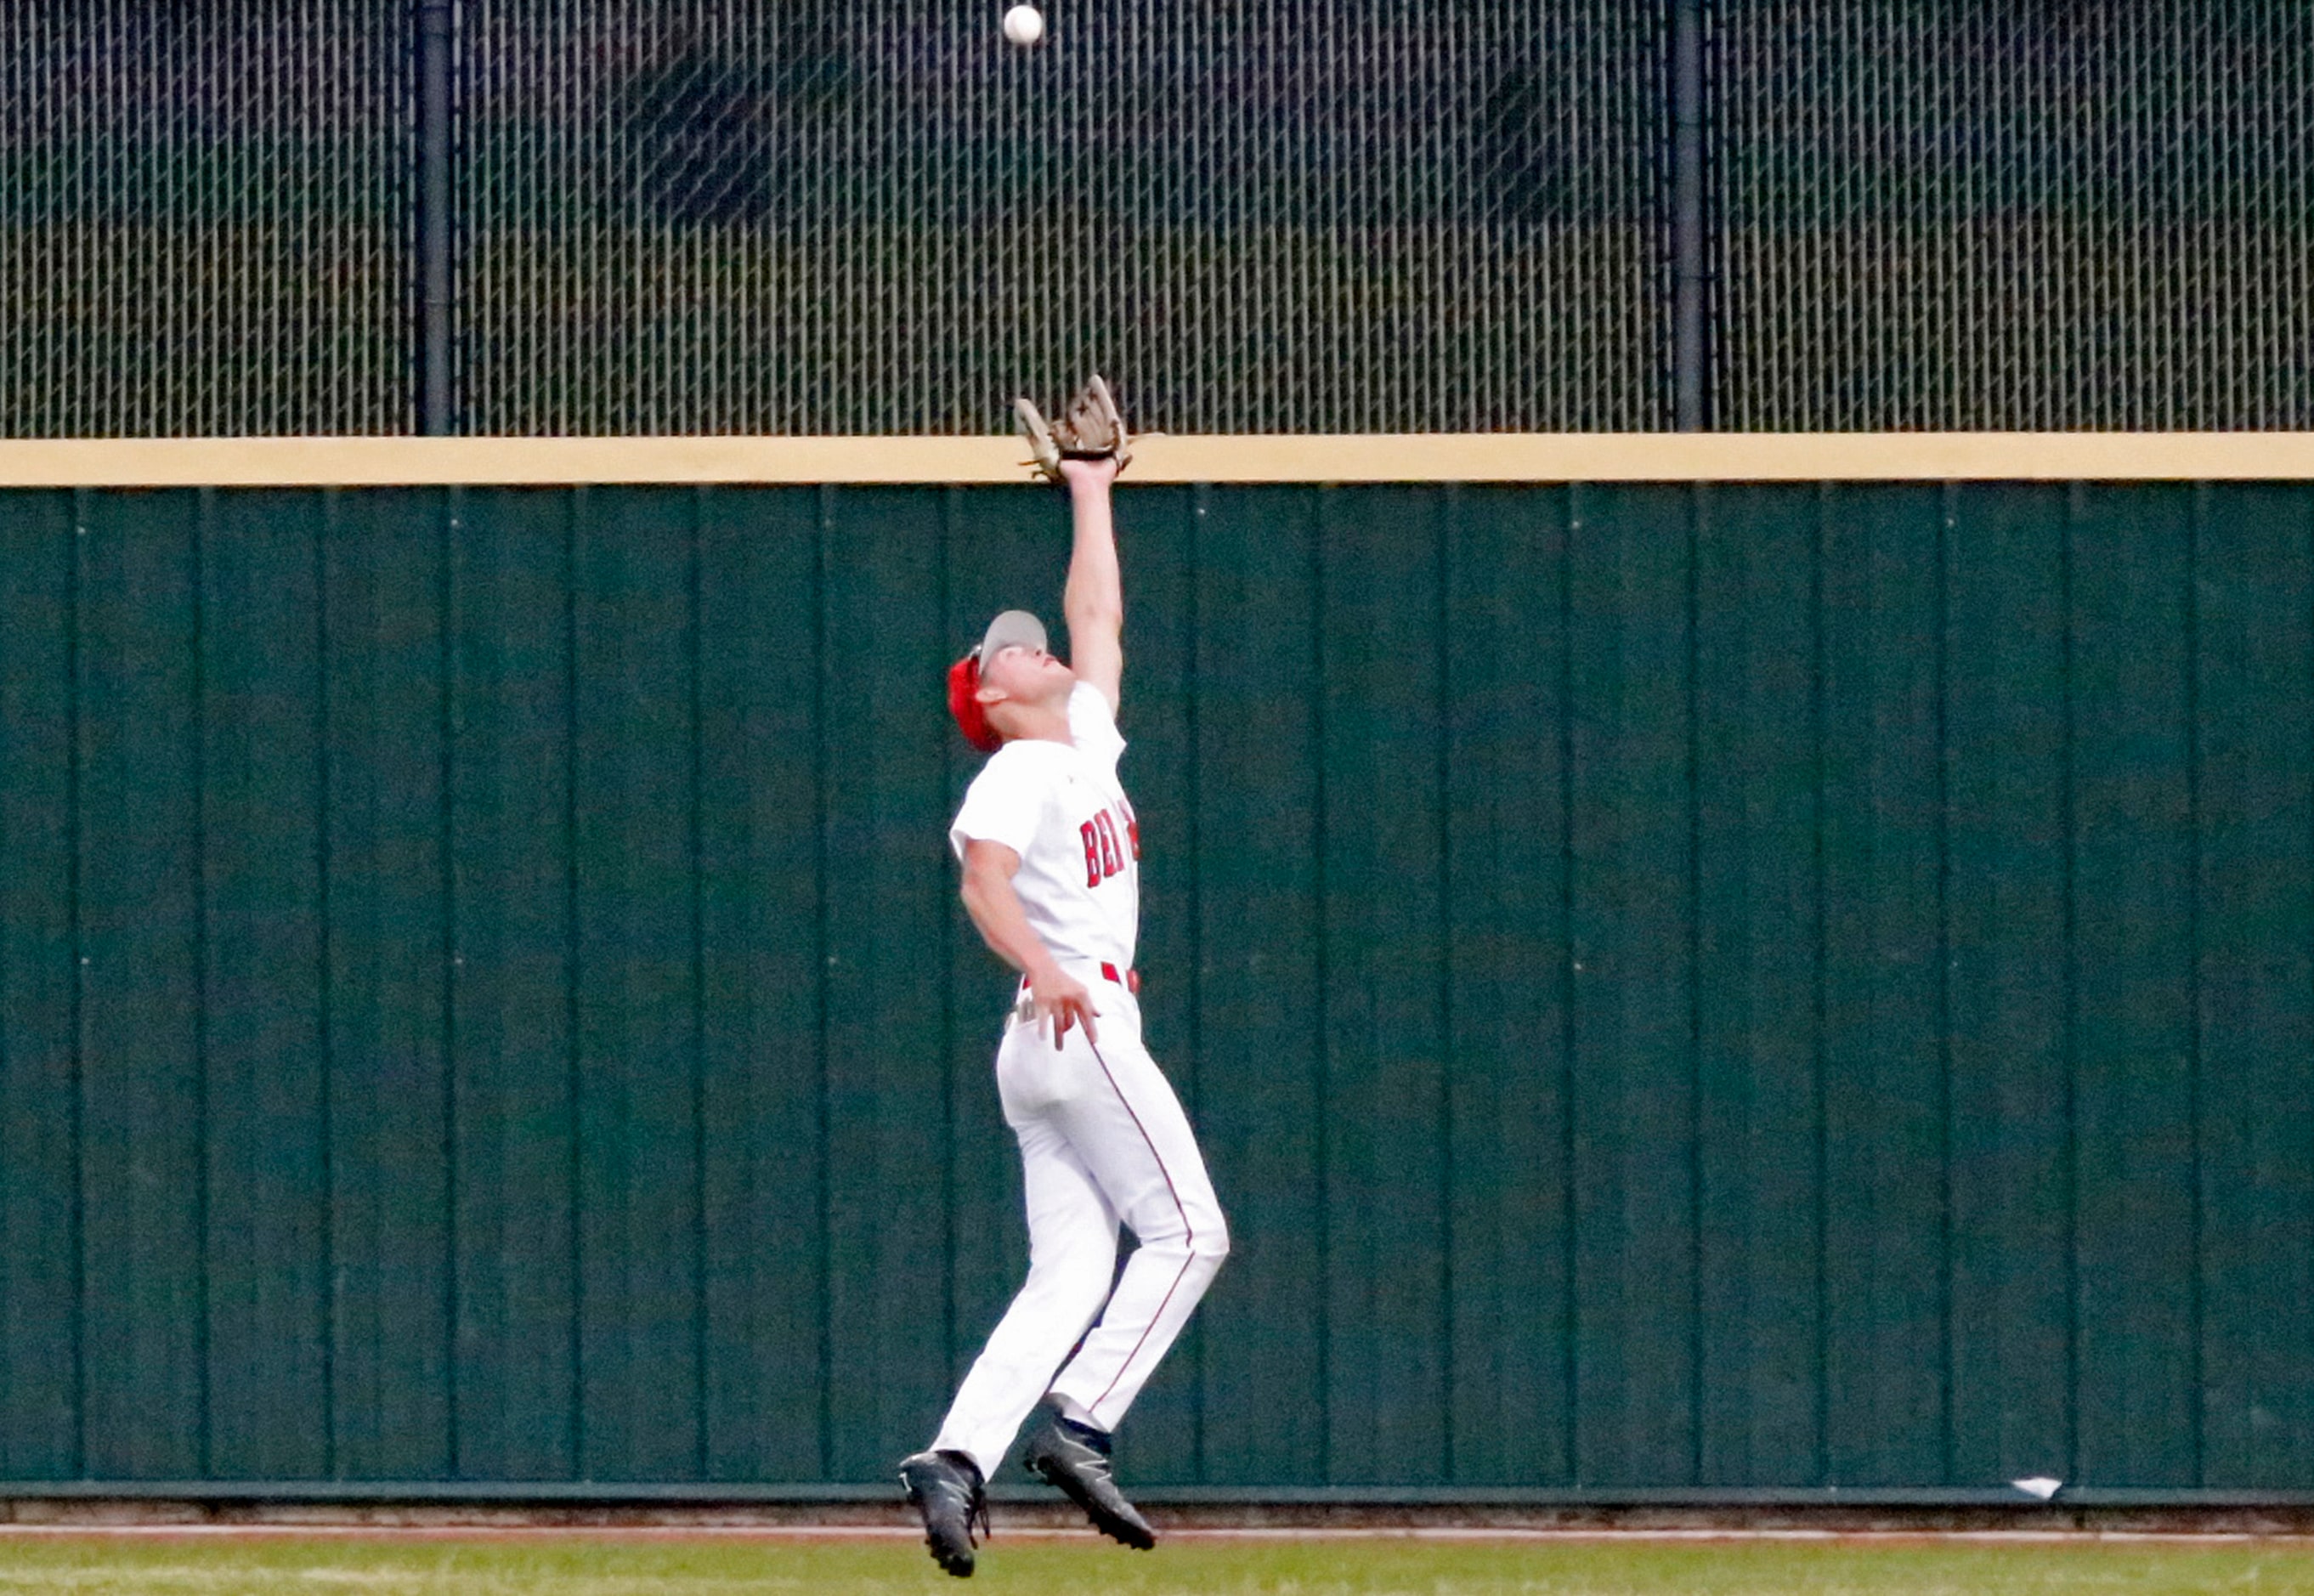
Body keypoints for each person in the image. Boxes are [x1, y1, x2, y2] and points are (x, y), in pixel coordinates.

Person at [898, 450, 1230, 1579]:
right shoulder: (1019, 769)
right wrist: (1042, 963)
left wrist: (1090, 486)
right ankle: (1081, 1420)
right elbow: (982, 883)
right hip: (1076, 1010)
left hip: (1045, 1041)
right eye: (1009, 650)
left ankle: (955, 1456)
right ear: (991, 695)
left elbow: (1100, 618)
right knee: (1192, 1233)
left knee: (1071, 1277)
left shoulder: (1083, 743)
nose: (1033, 647)